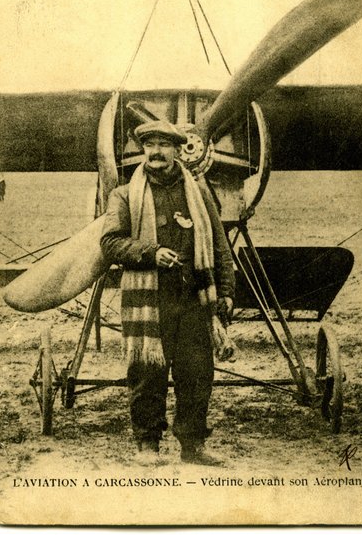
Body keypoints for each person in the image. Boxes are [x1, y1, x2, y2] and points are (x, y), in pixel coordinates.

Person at [100, 120, 235, 466]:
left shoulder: (199, 192)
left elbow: (219, 244)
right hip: (150, 299)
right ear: (143, 149)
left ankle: (194, 445)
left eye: (163, 145)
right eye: (150, 145)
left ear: (178, 150)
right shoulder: (124, 195)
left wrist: (226, 291)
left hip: (194, 297)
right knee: (148, 374)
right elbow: (110, 243)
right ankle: (147, 445)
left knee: (197, 374)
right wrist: (151, 253)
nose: (156, 152)